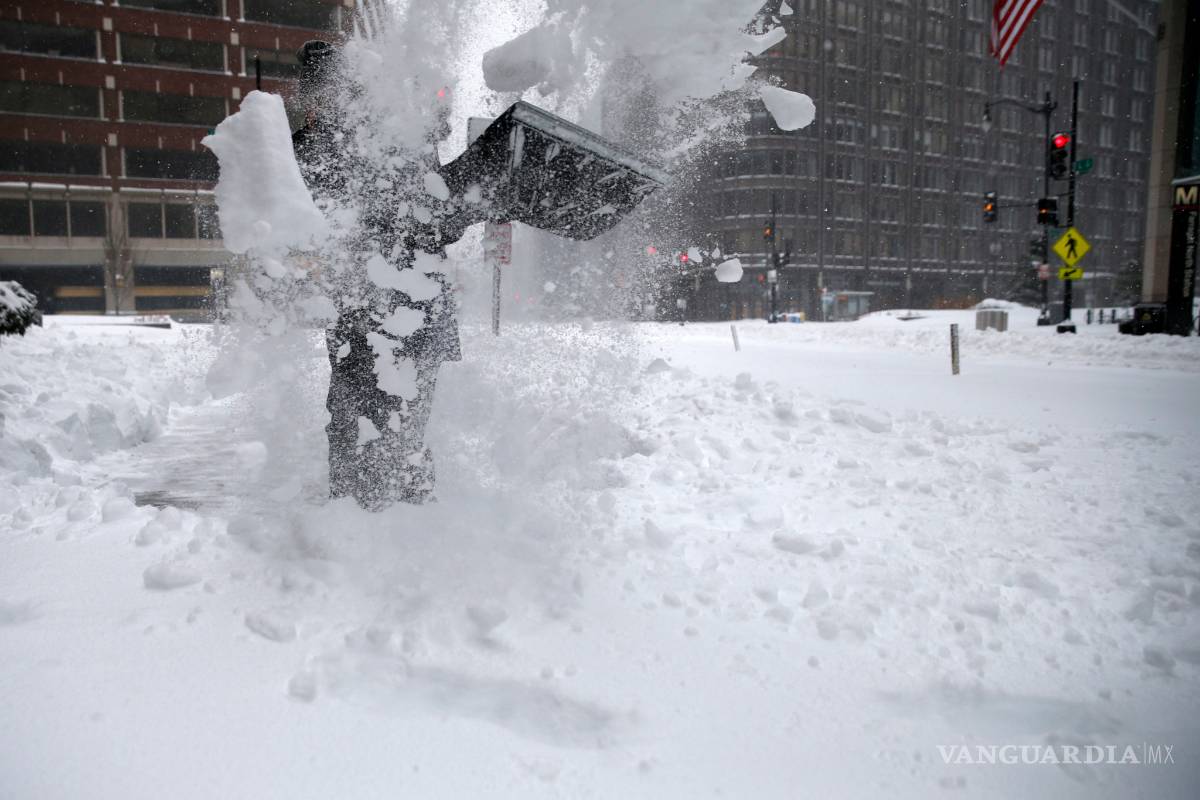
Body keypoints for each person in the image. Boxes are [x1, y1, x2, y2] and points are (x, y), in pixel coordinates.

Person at [291, 40, 460, 510]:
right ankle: (398, 513)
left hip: (384, 311)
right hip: (394, 309)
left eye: (315, 91)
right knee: (397, 421)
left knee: (365, 421)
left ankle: (370, 516)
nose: (310, 103)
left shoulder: (351, 141)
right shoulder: (398, 133)